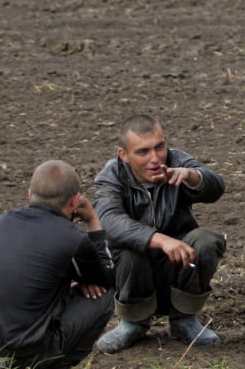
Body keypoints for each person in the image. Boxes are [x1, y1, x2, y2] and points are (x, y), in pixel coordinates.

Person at [0, 160, 115, 369]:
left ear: (30, 195)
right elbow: (107, 277)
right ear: (75, 200)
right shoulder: (71, 238)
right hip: (16, 358)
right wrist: (93, 222)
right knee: (102, 298)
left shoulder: (3, 221)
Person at [92, 114, 226, 353]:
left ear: (165, 142)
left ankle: (184, 318)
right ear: (124, 154)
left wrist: (192, 176)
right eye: (143, 152)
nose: (155, 158)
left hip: (179, 264)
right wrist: (160, 240)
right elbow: (109, 222)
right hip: (134, 269)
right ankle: (133, 322)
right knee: (129, 252)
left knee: (205, 241)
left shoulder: (177, 161)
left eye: (159, 147)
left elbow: (216, 187)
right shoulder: (111, 176)